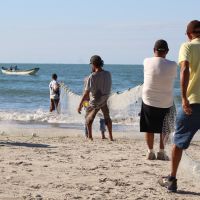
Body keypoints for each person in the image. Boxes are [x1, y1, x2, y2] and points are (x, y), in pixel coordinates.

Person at [159, 20, 200, 192]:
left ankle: (172, 179)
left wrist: (183, 98)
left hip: (193, 101)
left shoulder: (188, 47)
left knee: (178, 142)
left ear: (190, 34)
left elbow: (184, 70)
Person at [140, 39, 177, 160]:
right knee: (165, 127)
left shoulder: (146, 61)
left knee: (149, 128)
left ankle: (150, 152)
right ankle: (161, 151)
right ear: (167, 51)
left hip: (148, 100)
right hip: (166, 101)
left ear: (154, 50)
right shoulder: (173, 64)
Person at [78, 55, 113, 141]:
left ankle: (90, 136)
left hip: (95, 100)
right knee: (107, 117)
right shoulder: (108, 74)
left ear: (93, 64)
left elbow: (86, 93)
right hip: (105, 99)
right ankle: (111, 137)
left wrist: (79, 105)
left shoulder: (92, 77)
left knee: (88, 118)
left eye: (91, 64)